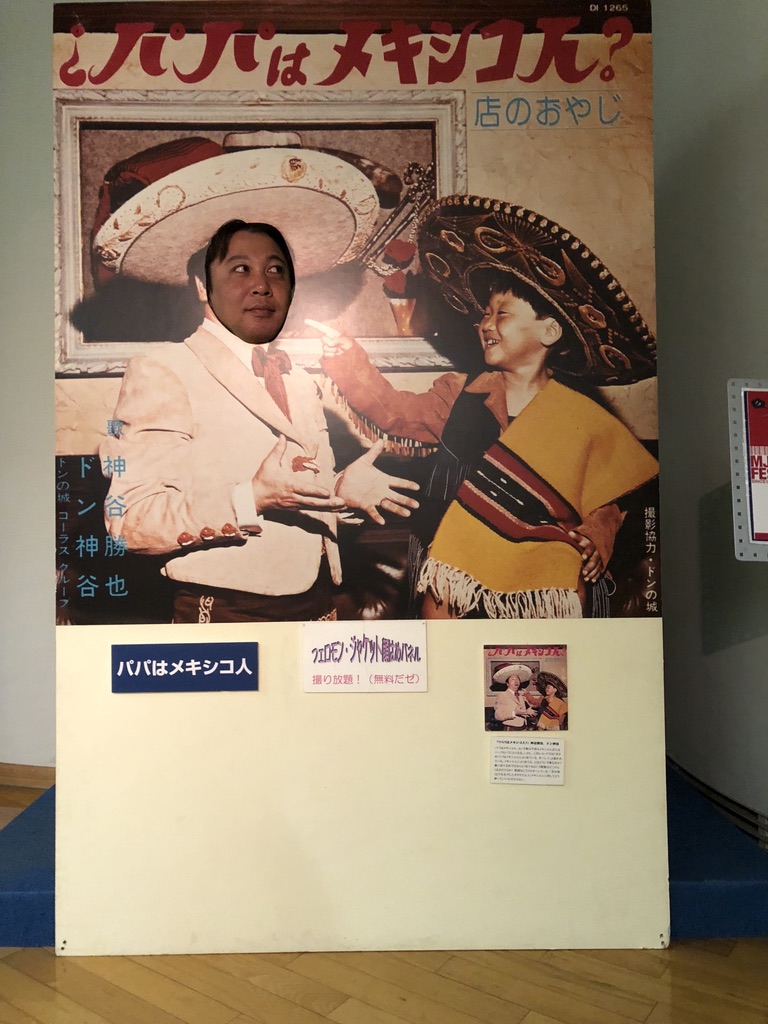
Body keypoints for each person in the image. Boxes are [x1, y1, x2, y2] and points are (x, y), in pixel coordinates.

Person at [317, 196, 660, 619]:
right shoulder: (460, 393)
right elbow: (394, 411)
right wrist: (348, 360)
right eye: (485, 314)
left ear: (550, 332)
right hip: (455, 570)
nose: (485, 324)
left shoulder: (582, 417)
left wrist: (599, 531)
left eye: (503, 314)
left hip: (540, 582)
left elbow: (610, 497)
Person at [100, 220, 419, 622]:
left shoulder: (297, 379)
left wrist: (340, 491)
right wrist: (250, 498)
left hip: (321, 604)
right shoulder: (163, 370)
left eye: (275, 270)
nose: (262, 286)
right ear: (202, 286)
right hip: (228, 612)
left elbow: (295, 487)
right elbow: (129, 522)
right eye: (240, 269)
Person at [489, 664, 538, 731]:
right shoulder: (502, 695)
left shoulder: (521, 696)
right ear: (507, 683)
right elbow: (498, 716)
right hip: (511, 729)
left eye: (517, 679)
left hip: (524, 728)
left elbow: (523, 712)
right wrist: (514, 713)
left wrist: (528, 712)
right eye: (512, 679)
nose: (516, 681)